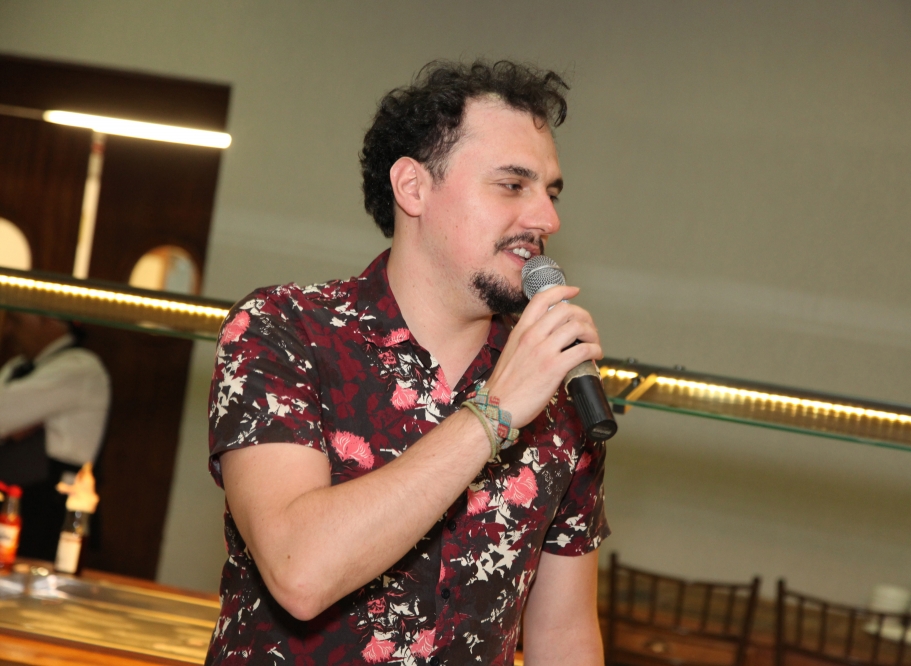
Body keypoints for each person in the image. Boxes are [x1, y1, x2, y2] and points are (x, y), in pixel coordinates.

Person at [207, 60, 609, 665]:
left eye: (549, 193)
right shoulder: (284, 330)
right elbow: (300, 571)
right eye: (512, 185)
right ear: (413, 187)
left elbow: (564, 635)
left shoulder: (559, 391)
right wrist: (494, 413)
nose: (547, 219)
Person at [0, 311, 110, 560]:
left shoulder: (80, 366)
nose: (8, 330)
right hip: (14, 498)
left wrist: (15, 428)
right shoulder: (16, 367)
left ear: (48, 321)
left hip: (48, 508)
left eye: (16, 321)